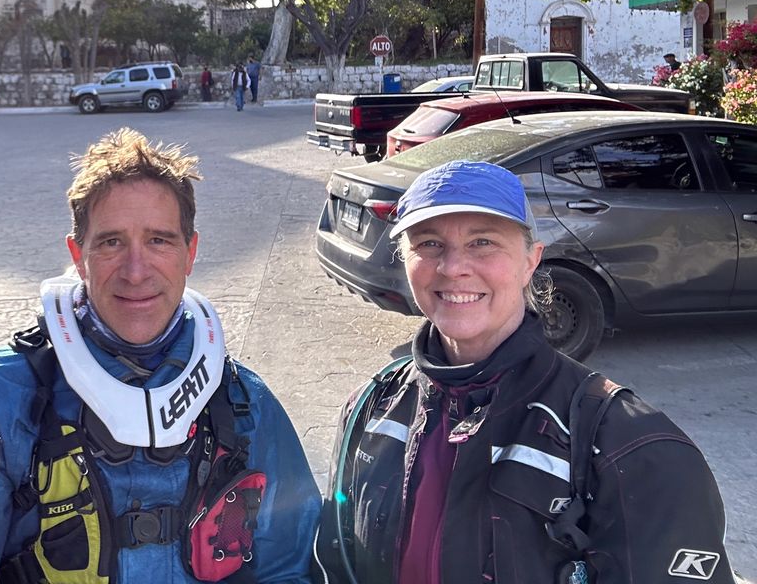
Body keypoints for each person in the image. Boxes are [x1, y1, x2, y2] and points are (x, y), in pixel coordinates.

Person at [313, 160, 735, 584]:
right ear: (405, 259)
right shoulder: (372, 409)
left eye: (482, 242)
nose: (452, 267)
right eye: (429, 243)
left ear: (531, 260)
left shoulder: (628, 446)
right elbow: (331, 561)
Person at [0, 128, 320, 584]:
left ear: (191, 253)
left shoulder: (246, 403)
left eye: (159, 240)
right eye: (111, 242)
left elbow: (288, 566)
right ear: (77, 255)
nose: (136, 271)